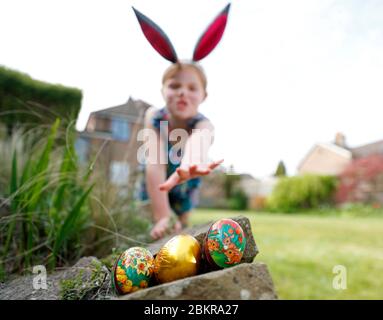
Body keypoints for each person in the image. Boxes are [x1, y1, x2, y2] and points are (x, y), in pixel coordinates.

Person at [133, 4, 231, 239]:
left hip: (186, 182)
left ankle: (181, 230)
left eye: (191, 88)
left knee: (182, 227)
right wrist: (162, 214)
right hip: (155, 184)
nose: (182, 93)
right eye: (175, 86)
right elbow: (154, 164)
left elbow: (199, 142)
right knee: (153, 226)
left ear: (203, 96)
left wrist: (188, 164)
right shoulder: (154, 117)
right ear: (163, 91)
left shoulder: (203, 123)